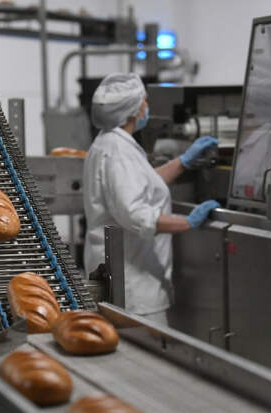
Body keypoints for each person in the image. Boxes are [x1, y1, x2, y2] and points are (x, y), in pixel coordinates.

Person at [83, 73, 220, 325]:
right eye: (144, 101)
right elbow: (136, 215)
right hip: (133, 285)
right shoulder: (118, 152)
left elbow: (142, 184)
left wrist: (183, 162)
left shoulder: (108, 143)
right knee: (143, 349)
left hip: (120, 276)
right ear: (132, 110)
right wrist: (188, 222)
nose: (147, 106)